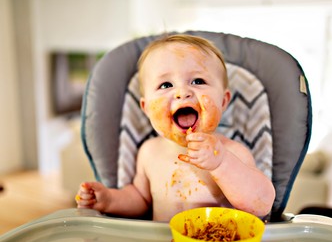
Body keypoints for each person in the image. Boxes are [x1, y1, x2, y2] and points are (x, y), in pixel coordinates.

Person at [75, 34, 275, 221]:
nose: (182, 92)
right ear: (145, 108)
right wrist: (109, 200)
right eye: (165, 85)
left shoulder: (232, 153)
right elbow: (140, 200)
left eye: (198, 81)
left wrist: (221, 163)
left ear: (223, 101)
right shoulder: (149, 152)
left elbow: (262, 204)